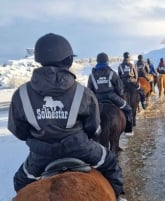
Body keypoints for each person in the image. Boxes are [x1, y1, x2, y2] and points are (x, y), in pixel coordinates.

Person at [7, 33, 124, 200]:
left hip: (40, 155)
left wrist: (39, 136)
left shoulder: (21, 94)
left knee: (20, 182)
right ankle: (118, 197)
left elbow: (18, 130)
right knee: (111, 163)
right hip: (81, 148)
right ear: (68, 60)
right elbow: (94, 127)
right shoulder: (82, 91)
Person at [87, 52, 133, 136]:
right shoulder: (112, 73)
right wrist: (121, 95)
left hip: (97, 99)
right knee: (128, 109)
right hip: (112, 97)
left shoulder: (91, 75)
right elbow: (119, 88)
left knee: (88, 115)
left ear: (97, 62)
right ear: (107, 61)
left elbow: (89, 90)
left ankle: (89, 134)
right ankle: (128, 130)